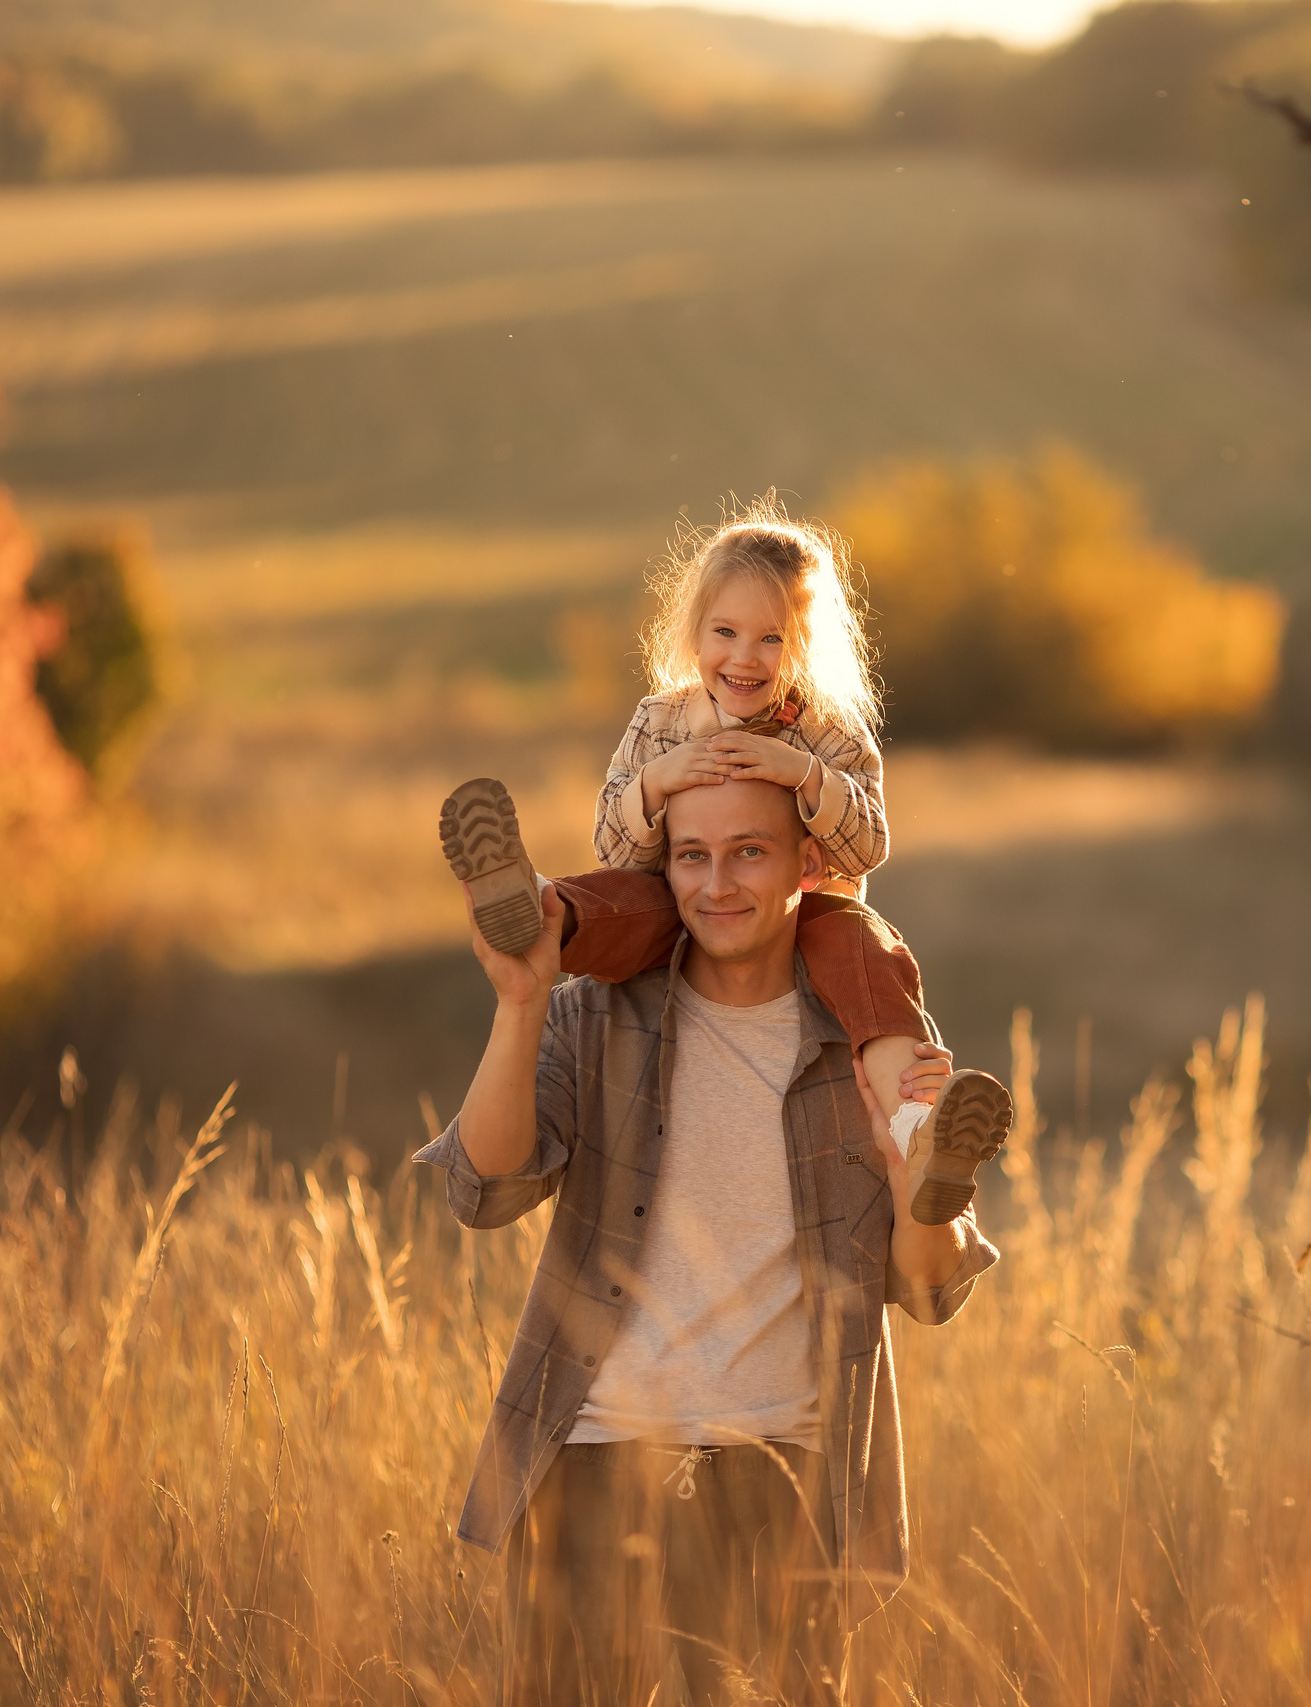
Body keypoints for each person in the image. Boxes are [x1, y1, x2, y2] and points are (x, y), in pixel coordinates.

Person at [418, 774, 1002, 1704]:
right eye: (693, 855)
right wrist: (522, 1001)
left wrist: (907, 1179)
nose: (717, 883)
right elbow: (483, 1190)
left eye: (748, 852)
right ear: (665, 870)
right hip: (593, 1465)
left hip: (786, 1479)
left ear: (809, 862)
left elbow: (932, 1289)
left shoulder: (866, 1038)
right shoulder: (594, 1013)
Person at [440, 498, 1003, 1224]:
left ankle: (918, 1136)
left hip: (812, 913)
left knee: (871, 957)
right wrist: (658, 781)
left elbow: (868, 845)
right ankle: (535, 908)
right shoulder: (662, 721)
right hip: (674, 902)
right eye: (726, 632)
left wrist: (804, 775)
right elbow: (614, 845)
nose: (744, 656)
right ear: (695, 631)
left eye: (773, 638)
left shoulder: (830, 732)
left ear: (808, 646)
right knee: (624, 899)